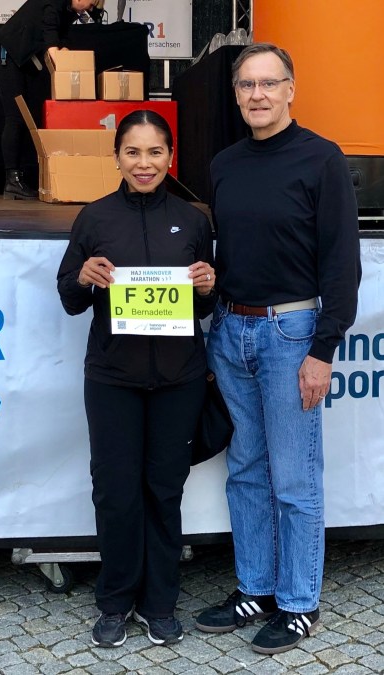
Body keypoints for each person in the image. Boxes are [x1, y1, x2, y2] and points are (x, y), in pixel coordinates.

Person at [194, 43, 361, 655]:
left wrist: (323, 349)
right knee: (245, 471)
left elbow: (342, 263)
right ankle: (255, 589)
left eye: (269, 83)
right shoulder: (225, 165)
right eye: (247, 85)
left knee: (294, 477)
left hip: (292, 335)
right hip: (230, 330)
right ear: (236, 95)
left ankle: (297, 603)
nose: (258, 94)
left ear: (291, 89)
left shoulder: (321, 159)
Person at [57, 110, 217, 647]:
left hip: (179, 379)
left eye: (154, 152)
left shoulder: (193, 221)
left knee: (164, 491)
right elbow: (69, 298)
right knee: (115, 492)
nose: (143, 163)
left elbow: (205, 304)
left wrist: (208, 286)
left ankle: (160, 603)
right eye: (132, 152)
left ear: (170, 157)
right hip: (113, 379)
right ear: (117, 158)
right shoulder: (95, 218)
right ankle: (115, 601)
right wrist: (82, 277)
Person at [0, 0, 104, 200]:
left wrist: (64, 51)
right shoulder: (55, 2)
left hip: (22, 58)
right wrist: (66, 62)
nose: (89, 10)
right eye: (91, 4)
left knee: (26, 117)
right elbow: (51, 39)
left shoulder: (68, 12)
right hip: (6, 53)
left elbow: (60, 40)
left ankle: (17, 179)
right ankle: (12, 181)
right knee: (15, 117)